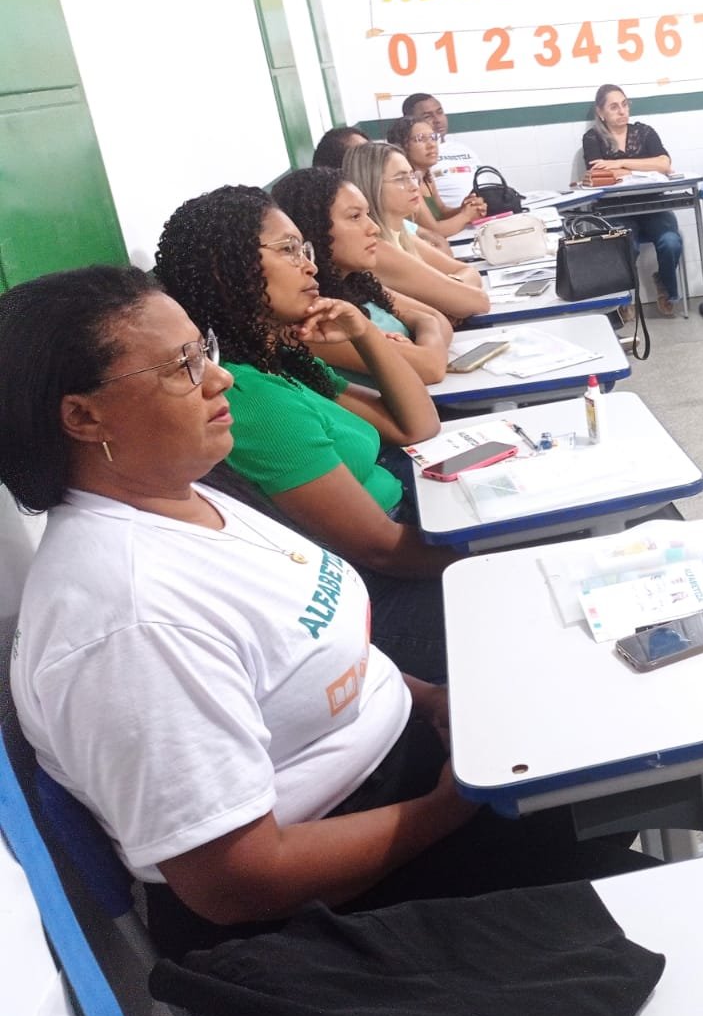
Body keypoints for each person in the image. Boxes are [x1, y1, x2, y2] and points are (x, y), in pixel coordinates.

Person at [0, 266, 653, 963]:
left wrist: (429, 698)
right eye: (180, 367)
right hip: (330, 911)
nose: (218, 379)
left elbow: (310, 648)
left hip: (410, 775)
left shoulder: (188, 495)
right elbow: (235, 882)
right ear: (83, 417)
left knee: (634, 720)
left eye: (204, 349)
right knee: (672, 889)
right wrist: (450, 804)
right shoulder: (128, 620)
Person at [153, 185, 460, 679]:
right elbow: (381, 549)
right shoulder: (247, 395)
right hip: (377, 597)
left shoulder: (276, 360)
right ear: (226, 268)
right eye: (288, 250)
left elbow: (418, 425)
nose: (310, 267)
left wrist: (363, 331)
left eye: (306, 249)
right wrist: (483, 554)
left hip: (414, 525)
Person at [272, 166, 454, 383]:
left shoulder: (357, 284)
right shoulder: (315, 320)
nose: (374, 228)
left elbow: (439, 320)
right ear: (314, 227)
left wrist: (424, 327)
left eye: (367, 214)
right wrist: (422, 335)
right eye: (355, 216)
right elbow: (431, 368)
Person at [343, 142, 490, 323]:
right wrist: (453, 296)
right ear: (371, 186)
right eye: (400, 179)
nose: (414, 187)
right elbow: (478, 301)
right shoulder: (376, 248)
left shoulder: (402, 233)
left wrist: (452, 291)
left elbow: (468, 271)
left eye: (413, 176)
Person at [581, 84, 684, 316]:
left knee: (671, 242)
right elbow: (601, 174)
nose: (622, 111)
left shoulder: (645, 132)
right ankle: (623, 295)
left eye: (625, 104)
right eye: (614, 107)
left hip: (653, 205)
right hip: (615, 208)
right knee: (626, 246)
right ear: (600, 112)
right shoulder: (592, 138)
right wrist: (645, 166)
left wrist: (620, 163)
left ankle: (665, 284)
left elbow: (664, 164)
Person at [385, 115, 488, 240]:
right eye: (420, 139)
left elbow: (442, 212)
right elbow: (434, 230)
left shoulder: (427, 177)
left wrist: (466, 208)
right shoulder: (409, 184)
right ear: (402, 146)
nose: (431, 145)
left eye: (433, 137)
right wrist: (466, 216)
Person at [403, 92, 482, 208]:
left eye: (440, 112)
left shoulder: (463, 148)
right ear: (411, 121)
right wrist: (466, 212)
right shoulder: (416, 156)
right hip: (456, 217)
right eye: (427, 116)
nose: (437, 120)